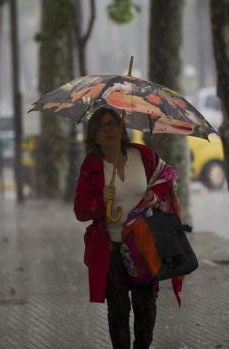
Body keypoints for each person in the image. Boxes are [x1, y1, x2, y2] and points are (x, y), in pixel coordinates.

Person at [74, 107, 180, 349]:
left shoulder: (142, 155)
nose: (108, 129)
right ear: (95, 134)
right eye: (102, 126)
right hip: (111, 248)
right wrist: (100, 200)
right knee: (118, 309)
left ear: (123, 128)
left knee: (146, 307)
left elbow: (169, 175)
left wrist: (153, 196)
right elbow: (80, 211)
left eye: (113, 123)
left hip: (143, 244)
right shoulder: (91, 166)